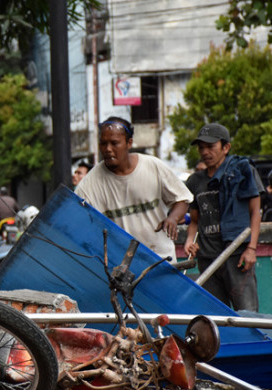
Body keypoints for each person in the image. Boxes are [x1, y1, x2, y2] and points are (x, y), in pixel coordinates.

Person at [75, 116, 193, 260]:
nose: (108, 149)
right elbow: (77, 223)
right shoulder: (89, 184)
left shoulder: (153, 166)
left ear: (129, 143)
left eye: (114, 143)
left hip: (161, 261)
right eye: (103, 143)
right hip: (120, 270)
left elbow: (182, 199)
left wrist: (173, 218)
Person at [184, 123, 261, 312]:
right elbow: (194, 220)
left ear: (225, 147)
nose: (205, 152)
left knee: (248, 315)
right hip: (208, 259)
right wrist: (189, 242)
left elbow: (255, 213)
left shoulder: (242, 171)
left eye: (211, 147)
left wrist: (251, 248)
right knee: (216, 317)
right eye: (201, 147)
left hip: (236, 255)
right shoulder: (195, 181)